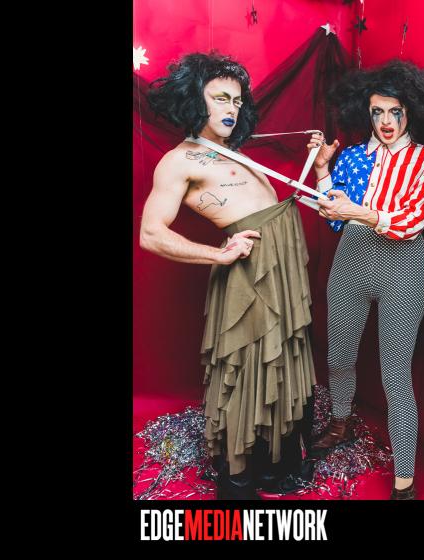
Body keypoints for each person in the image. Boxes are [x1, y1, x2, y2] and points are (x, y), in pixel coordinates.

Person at [140, 52, 316, 499]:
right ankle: (238, 482)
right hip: (249, 279)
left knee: (281, 363)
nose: (231, 108)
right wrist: (218, 256)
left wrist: (319, 167)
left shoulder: (232, 152)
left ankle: (275, 467)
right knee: (247, 369)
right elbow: (150, 234)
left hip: (283, 274)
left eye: (237, 100)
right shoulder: (179, 161)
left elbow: (270, 208)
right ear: (194, 100)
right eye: (220, 98)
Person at [305, 60, 424, 500]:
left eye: (395, 111)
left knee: (395, 375)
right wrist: (323, 172)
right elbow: (335, 215)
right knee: (338, 356)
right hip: (352, 259)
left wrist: (359, 211)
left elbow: (410, 222)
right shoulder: (353, 156)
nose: (386, 121)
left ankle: (404, 482)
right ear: (365, 113)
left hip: (402, 267)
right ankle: (341, 422)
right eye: (377, 112)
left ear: (411, 111)